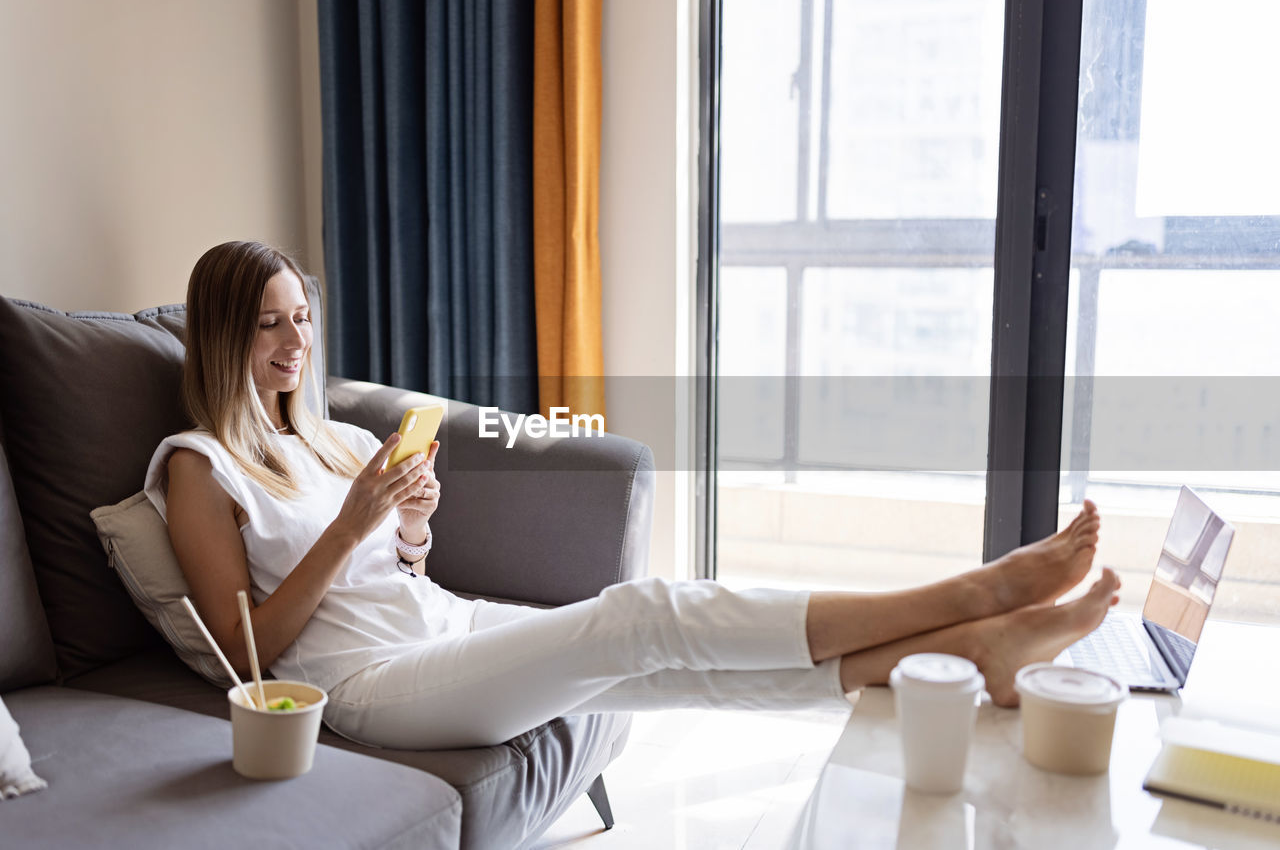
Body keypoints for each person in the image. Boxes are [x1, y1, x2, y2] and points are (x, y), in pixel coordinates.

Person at [146, 240, 1121, 751]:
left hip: (437, 622)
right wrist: (353, 522)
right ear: (224, 333)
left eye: (302, 317)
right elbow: (247, 654)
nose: (294, 341)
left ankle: (971, 646)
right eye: (269, 323)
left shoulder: (332, 434)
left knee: (665, 668)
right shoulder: (199, 464)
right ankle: (966, 594)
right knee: (641, 614)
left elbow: (394, 573)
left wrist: (407, 526)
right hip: (363, 684)